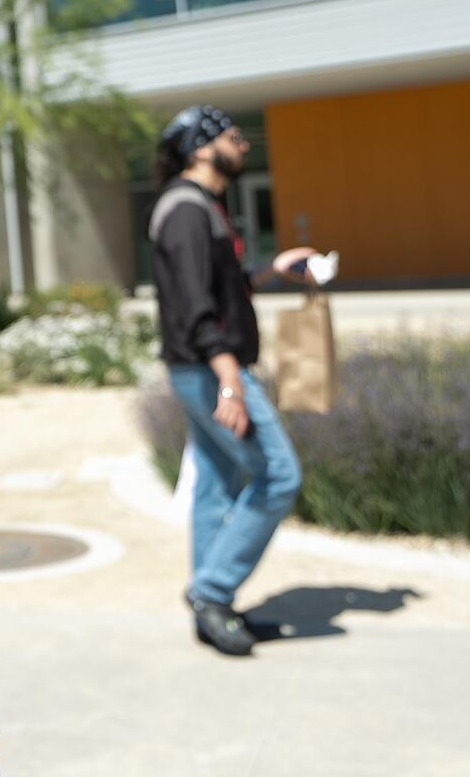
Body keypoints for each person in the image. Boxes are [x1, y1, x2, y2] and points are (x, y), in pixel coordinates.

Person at [149, 105, 314, 658]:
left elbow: (218, 288)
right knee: (278, 475)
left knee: (218, 483)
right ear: (202, 147)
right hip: (209, 370)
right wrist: (229, 380)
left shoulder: (200, 208)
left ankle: (211, 608)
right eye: (235, 138)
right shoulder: (185, 211)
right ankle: (212, 593)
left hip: (202, 368)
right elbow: (195, 307)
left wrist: (271, 269)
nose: (244, 146)